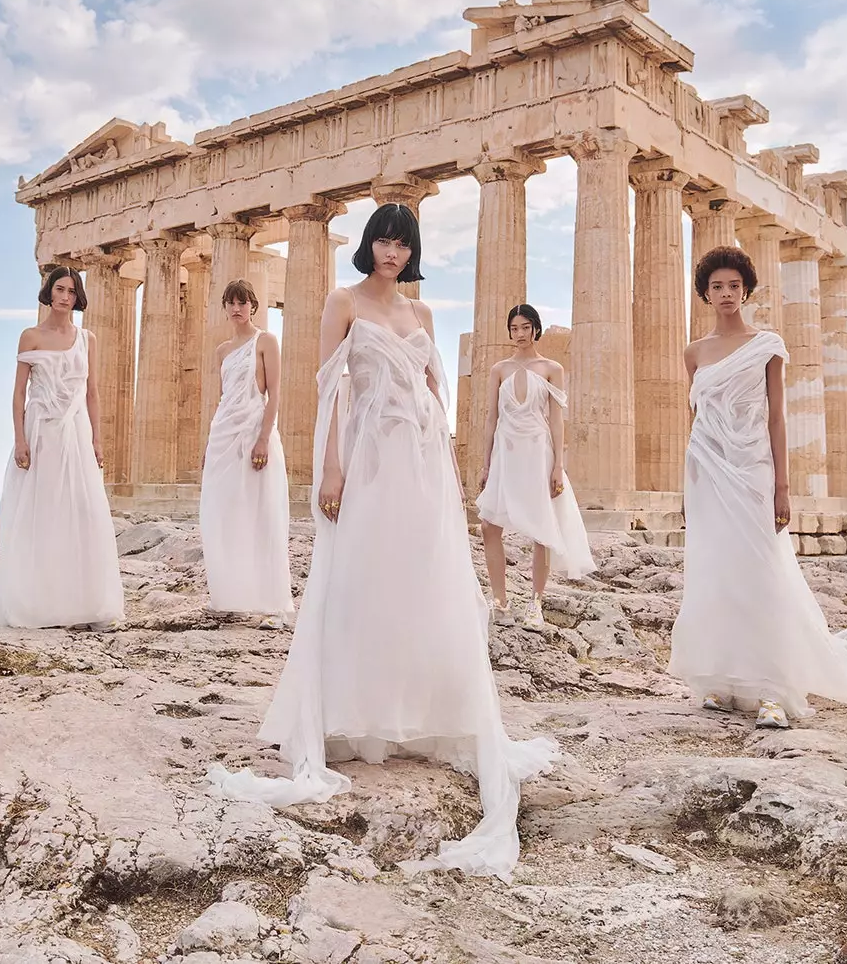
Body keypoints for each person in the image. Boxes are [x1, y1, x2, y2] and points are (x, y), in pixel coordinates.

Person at [207, 204, 557, 881]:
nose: (392, 250)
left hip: (420, 458)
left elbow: (434, 391)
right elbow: (331, 388)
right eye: (384, 239)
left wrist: (443, 449)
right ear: (369, 242)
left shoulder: (421, 316)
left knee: (419, 580)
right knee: (360, 578)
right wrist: (331, 465)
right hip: (366, 456)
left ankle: (418, 709)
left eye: (403, 242)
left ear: (412, 249)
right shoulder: (342, 301)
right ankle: (354, 711)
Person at [668, 247, 847, 729]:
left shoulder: (767, 344)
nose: (726, 294)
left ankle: (773, 689)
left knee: (761, 572)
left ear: (746, 289)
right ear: (705, 294)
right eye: (717, 287)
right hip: (707, 469)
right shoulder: (694, 353)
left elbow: (776, 417)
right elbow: (697, 419)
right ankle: (722, 680)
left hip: (753, 469)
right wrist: (685, 487)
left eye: (734, 285)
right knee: (715, 571)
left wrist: (782, 486)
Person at [0, 266, 125, 629]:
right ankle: (40, 602)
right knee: (41, 513)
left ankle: (81, 603)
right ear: (48, 293)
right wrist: (20, 438)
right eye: (59, 289)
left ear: (78, 297)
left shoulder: (87, 339)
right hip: (41, 432)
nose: (65, 296)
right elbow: (18, 393)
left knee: (81, 512)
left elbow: (92, 392)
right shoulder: (29, 336)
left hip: (75, 433)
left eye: (71, 291)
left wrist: (97, 439)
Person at [476, 304, 596, 625]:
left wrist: (559, 465)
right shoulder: (498, 369)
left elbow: (557, 421)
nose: (519, 334)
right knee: (489, 525)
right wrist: (485, 464)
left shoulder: (551, 368)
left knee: (542, 529)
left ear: (535, 328)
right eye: (514, 328)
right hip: (506, 452)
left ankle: (535, 603)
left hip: (537, 451)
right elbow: (491, 418)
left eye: (525, 327)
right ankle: (500, 601)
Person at [198, 279, 293, 625]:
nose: (237, 309)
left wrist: (264, 438)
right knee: (221, 510)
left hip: (254, 431)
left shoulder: (265, 341)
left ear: (253, 306)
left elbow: (274, 395)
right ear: (225, 308)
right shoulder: (222, 350)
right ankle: (229, 593)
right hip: (224, 432)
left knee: (257, 511)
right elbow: (223, 399)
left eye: (243, 303)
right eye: (231, 303)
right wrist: (210, 443)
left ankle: (262, 594)